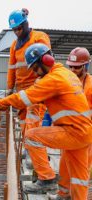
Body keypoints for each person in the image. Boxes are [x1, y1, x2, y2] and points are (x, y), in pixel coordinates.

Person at [0, 43, 92, 200]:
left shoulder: (54, 78)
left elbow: (23, 97)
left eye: (35, 68)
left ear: (47, 60)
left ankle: (47, 177)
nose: (35, 73)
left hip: (73, 132)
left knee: (31, 135)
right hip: (83, 133)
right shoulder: (63, 73)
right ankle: (65, 196)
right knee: (77, 176)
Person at [47, 47, 92, 200]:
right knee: (64, 166)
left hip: (86, 135)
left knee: (80, 172)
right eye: (70, 66)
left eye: (77, 67)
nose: (73, 69)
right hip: (69, 132)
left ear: (86, 66)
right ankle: (63, 195)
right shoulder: (65, 81)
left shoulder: (91, 85)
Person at [7, 9, 51, 162]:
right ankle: (29, 148)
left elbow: (46, 63)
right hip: (21, 90)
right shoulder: (14, 45)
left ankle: (34, 153)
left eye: (19, 28)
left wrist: (42, 83)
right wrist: (9, 89)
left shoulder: (39, 37)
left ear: (26, 23)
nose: (17, 32)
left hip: (36, 88)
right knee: (23, 120)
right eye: (14, 30)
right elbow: (12, 68)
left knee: (33, 121)